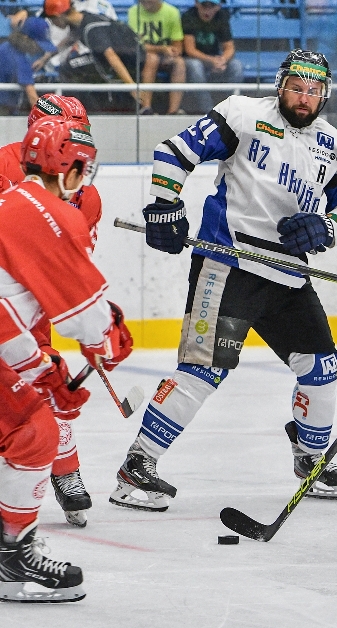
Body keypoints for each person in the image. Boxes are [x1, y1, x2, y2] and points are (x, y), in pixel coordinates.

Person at [109, 50, 337, 512]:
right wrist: (164, 204)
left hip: (288, 275)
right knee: (203, 370)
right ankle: (137, 465)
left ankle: (310, 460)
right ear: (280, 85)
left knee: (321, 366)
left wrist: (326, 228)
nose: (304, 97)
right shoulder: (243, 114)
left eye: (313, 91)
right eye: (296, 87)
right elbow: (174, 152)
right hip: (228, 266)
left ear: (325, 95)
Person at [0, 117, 132, 602]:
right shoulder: (51, 213)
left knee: (23, 427)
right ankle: (12, 558)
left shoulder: (12, 200)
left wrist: (38, 368)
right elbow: (86, 318)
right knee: (36, 433)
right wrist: (108, 338)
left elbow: (4, 313)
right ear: (69, 167)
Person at [0, 94, 104, 527]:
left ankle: (64, 469)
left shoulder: (87, 196)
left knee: (43, 379)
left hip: (31, 305)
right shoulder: (3, 165)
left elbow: (75, 265)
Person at [45, 0, 144, 107]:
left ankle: (76, 110)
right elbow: (71, 38)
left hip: (130, 60)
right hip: (120, 56)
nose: (53, 24)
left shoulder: (91, 28)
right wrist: (46, 57)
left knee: (68, 67)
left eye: (52, 20)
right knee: (73, 63)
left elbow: (111, 55)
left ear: (58, 16)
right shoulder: (81, 18)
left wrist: (131, 87)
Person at [181, 0, 242, 114]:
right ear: (197, 4)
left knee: (236, 66)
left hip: (215, 58)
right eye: (204, 5)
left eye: (212, 6)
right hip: (193, 59)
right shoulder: (189, 17)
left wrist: (222, 60)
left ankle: (229, 109)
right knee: (195, 66)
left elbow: (229, 47)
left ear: (218, 6)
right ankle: (208, 110)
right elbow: (190, 50)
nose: (207, 10)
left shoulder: (222, 17)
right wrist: (211, 60)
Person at [128, 0, 186, 115]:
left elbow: (178, 45)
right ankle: (146, 107)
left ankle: (173, 111)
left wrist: (172, 53)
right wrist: (162, 49)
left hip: (165, 56)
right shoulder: (134, 11)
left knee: (179, 63)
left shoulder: (172, 12)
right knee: (152, 58)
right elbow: (135, 45)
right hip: (142, 56)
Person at [0, 18, 57, 114]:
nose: (39, 49)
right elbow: (33, 98)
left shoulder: (6, 46)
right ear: (26, 38)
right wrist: (56, 112)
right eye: (38, 45)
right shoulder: (19, 59)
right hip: (3, 110)